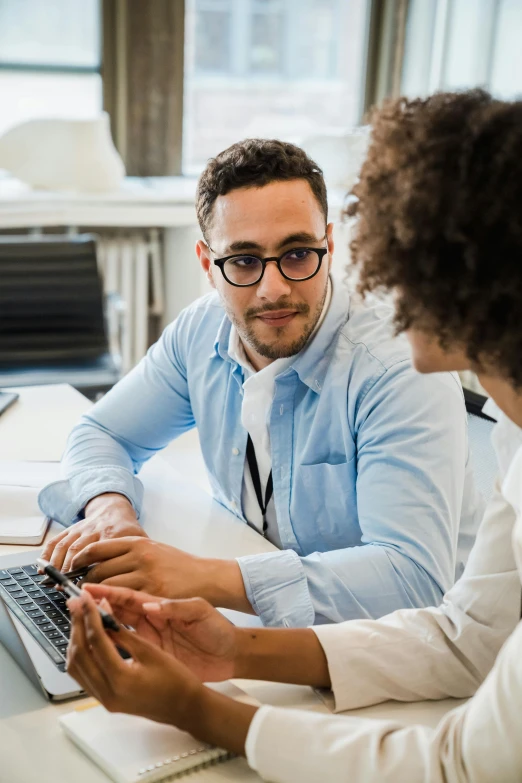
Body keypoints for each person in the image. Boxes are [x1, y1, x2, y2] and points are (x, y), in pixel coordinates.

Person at [67, 90, 522, 781]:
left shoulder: (391, 361)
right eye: (245, 261)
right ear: (209, 260)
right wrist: (234, 651)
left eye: (394, 266)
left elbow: (460, 761)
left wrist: (201, 705)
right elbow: (469, 639)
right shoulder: (516, 448)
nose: (381, 288)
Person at [39, 139, 481, 627]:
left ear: (329, 247)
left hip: (400, 651)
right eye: (244, 261)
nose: (274, 288)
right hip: (261, 616)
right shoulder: (201, 330)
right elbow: (103, 433)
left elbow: (413, 578)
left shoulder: (398, 371)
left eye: (296, 254)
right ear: (209, 265)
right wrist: (108, 510)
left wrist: (202, 577)